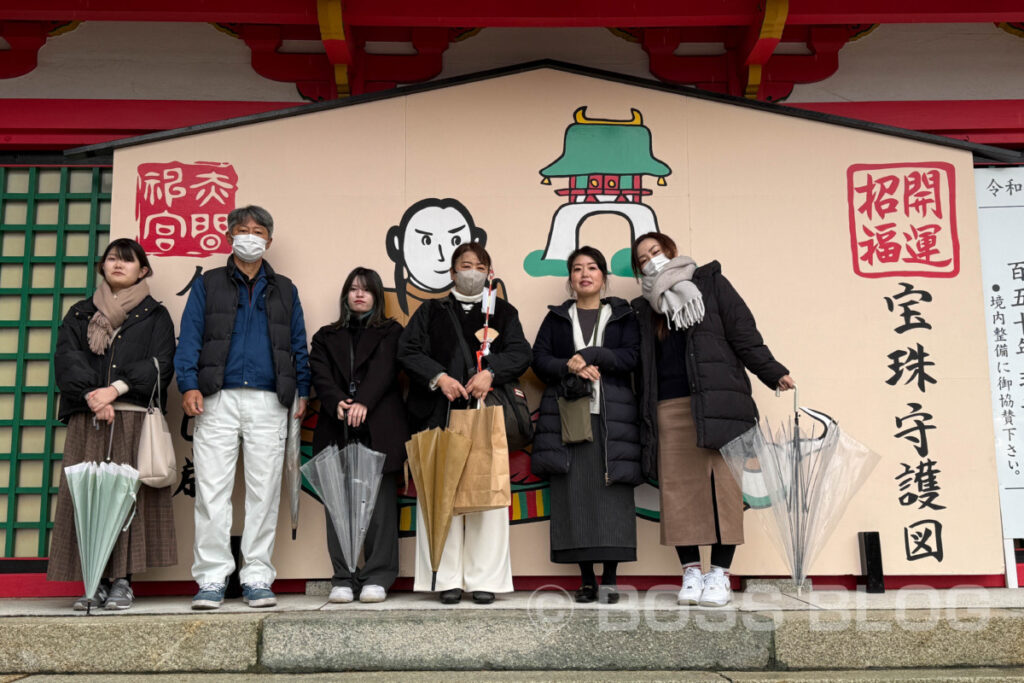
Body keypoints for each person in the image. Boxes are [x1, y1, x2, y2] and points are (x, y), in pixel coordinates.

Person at [630, 232, 795, 608]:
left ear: (671, 251)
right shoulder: (643, 308)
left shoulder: (711, 283)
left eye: (655, 252)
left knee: (725, 491)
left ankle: (719, 574)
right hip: (670, 408)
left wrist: (772, 372)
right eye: (642, 260)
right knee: (679, 494)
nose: (651, 261)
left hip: (720, 401)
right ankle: (691, 571)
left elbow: (744, 335)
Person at [174, 205, 310, 610]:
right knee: (212, 492)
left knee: (264, 493)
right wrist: (188, 384)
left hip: (271, 400)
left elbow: (297, 344)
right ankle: (212, 578)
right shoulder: (209, 284)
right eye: (243, 230)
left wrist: (302, 389)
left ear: (269, 239)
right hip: (216, 397)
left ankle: (256, 576)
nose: (250, 236)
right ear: (230, 236)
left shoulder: (285, 288)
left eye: (258, 231)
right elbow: (190, 337)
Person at [398, 243, 531, 605]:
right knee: (441, 495)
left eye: (479, 266)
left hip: (485, 416)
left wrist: (492, 373)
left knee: (486, 498)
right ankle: (446, 578)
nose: (471, 271)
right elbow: (407, 350)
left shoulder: (502, 311)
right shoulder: (431, 310)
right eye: (464, 265)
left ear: (489, 272)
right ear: (452, 272)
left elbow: (521, 352)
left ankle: (485, 579)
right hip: (438, 416)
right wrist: (438, 377)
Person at [49, 238, 177, 610]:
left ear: (144, 270)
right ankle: (94, 578)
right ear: (102, 267)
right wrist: (94, 395)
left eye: (128, 260)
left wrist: (115, 390)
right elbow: (67, 359)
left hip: (133, 417)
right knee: (88, 496)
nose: (118, 265)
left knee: (127, 499)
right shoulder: (79, 313)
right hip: (88, 416)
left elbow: (162, 364)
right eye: (111, 259)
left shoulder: (156, 315)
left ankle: (122, 580)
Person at [531, 246, 643, 604]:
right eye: (577, 269)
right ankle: (585, 580)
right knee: (573, 498)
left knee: (613, 496)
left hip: (613, 420)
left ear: (603, 276)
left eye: (592, 268)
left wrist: (594, 356)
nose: (585, 274)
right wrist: (571, 365)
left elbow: (632, 358)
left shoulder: (622, 315)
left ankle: (609, 578)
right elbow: (539, 360)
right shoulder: (557, 318)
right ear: (570, 279)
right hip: (568, 418)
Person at [309, 267, 409, 604]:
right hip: (334, 426)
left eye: (366, 290)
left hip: (380, 426)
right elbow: (319, 373)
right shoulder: (325, 335)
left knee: (380, 509)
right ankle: (343, 577)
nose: (359, 295)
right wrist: (336, 400)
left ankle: (377, 576)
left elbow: (385, 370)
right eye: (353, 289)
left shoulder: (392, 331)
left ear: (378, 296)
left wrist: (364, 400)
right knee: (339, 507)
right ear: (345, 295)